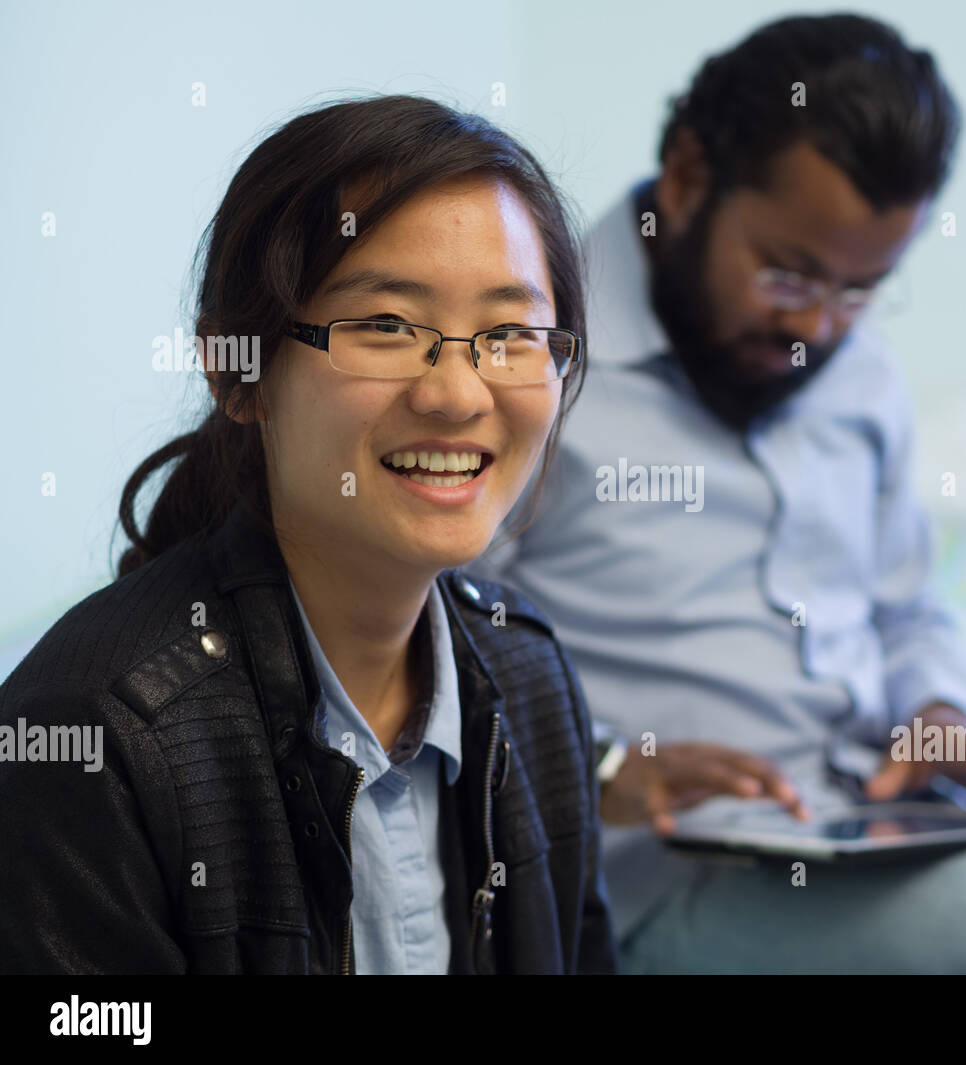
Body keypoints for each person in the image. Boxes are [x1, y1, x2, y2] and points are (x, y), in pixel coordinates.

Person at [467, 14, 966, 973]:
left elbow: (905, 603)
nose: (815, 330)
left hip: (869, 825)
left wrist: (940, 707)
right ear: (688, 177)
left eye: (861, 291)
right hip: (658, 876)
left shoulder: (857, 373)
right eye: (788, 275)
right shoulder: (529, 358)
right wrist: (605, 764)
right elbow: (449, 636)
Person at [0, 94, 616, 975]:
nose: (458, 393)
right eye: (387, 327)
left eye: (510, 333)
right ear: (236, 370)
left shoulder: (529, 674)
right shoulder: (98, 736)